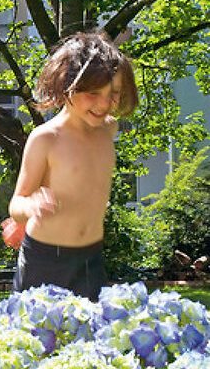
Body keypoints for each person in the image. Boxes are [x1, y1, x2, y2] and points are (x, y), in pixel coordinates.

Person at [8, 31, 139, 302]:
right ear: (66, 86)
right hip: (44, 260)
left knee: (91, 339)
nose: (104, 104)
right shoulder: (46, 138)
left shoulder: (108, 129)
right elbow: (17, 204)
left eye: (113, 93)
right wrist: (31, 206)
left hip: (90, 258)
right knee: (37, 338)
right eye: (93, 93)